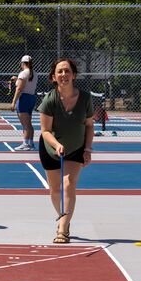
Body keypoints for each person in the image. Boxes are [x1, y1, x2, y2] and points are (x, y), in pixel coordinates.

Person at [37, 58, 93, 244]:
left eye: (67, 71)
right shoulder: (49, 100)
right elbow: (45, 131)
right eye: (59, 72)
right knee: (54, 190)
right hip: (51, 149)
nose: (63, 75)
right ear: (54, 77)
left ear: (74, 75)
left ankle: (63, 228)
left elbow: (89, 126)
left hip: (76, 148)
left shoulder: (85, 98)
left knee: (68, 185)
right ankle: (64, 218)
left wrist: (87, 149)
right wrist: (57, 145)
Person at [10, 55, 38, 150]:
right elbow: (25, 85)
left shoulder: (23, 73)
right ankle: (30, 143)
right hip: (31, 98)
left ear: (22, 63)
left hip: (23, 99)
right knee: (29, 123)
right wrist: (17, 79)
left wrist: (13, 102)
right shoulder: (34, 73)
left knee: (25, 124)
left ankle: (25, 143)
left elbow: (19, 89)